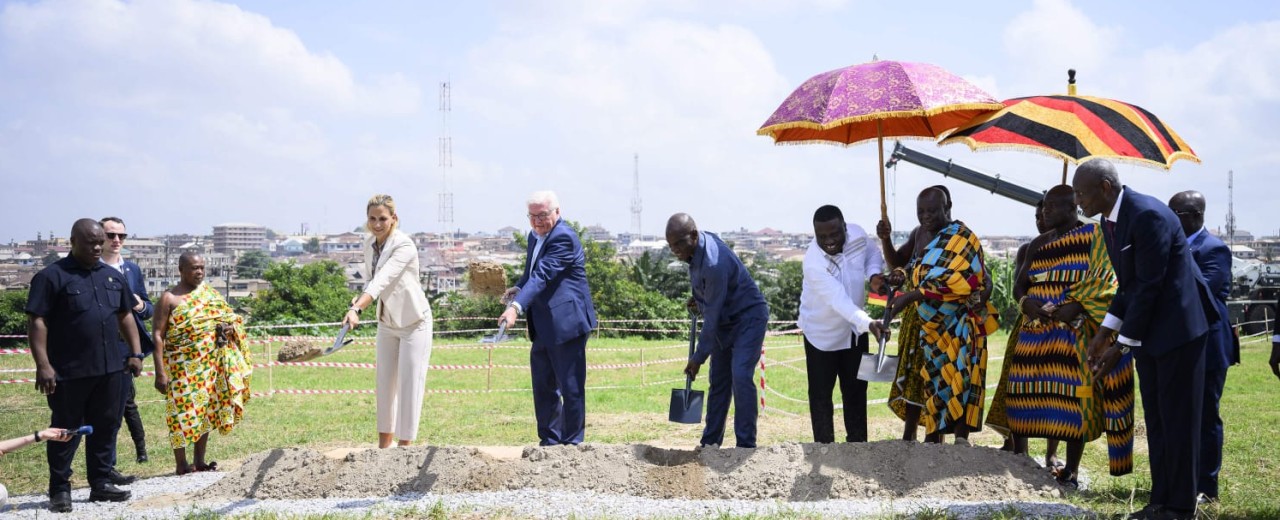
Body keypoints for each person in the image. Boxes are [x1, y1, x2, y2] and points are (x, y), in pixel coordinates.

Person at [1076, 160, 1216, 520]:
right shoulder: (1110, 221)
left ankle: (1182, 507)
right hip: (1152, 336)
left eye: (1082, 193)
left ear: (1106, 187)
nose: (1079, 202)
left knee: (1179, 422)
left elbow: (1150, 287)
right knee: (1157, 421)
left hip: (1178, 334)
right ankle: (1160, 501)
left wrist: (1119, 345)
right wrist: (1104, 332)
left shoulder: (1147, 215)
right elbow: (1129, 285)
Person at [1004, 185, 1134, 488]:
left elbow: (1108, 280)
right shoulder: (1037, 244)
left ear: (1072, 206)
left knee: (1074, 400)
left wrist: (1075, 304)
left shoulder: (1095, 238)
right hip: (1036, 333)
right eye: (1044, 207)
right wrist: (1028, 304)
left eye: (1051, 207)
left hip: (1075, 333)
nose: (1045, 212)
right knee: (1023, 393)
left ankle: (1071, 470)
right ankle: (1022, 461)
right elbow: (1019, 286)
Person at [25, 218, 145, 512]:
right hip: (69, 370)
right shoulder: (51, 277)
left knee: (106, 427)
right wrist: (43, 365)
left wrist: (135, 353)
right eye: (90, 242)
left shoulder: (112, 276)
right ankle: (60, 489)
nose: (96, 247)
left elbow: (125, 315)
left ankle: (101, 483)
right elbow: (36, 321)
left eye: (99, 241)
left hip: (111, 369)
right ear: (72, 242)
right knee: (65, 431)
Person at [885, 187, 998, 444]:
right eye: (920, 212)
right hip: (930, 328)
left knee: (962, 378)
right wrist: (898, 274)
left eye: (932, 211)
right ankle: (932, 440)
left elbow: (967, 280)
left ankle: (960, 439)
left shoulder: (963, 238)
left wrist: (913, 296)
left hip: (959, 324)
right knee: (934, 381)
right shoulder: (923, 236)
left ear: (948, 207)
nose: (926, 216)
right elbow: (913, 268)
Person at [498, 191, 597, 446]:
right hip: (542, 323)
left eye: (543, 215)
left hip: (567, 323)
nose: (538, 221)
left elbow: (543, 275)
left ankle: (572, 444)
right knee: (543, 386)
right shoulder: (535, 236)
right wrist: (518, 289)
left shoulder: (563, 237)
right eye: (532, 216)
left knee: (570, 387)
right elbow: (531, 272)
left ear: (557, 212)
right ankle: (550, 442)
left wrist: (516, 308)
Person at [666, 213, 769, 448]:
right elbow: (712, 299)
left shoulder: (713, 262)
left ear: (693, 235)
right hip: (724, 321)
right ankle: (710, 444)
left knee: (741, 375)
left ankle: (745, 445)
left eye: (679, 243)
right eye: (671, 245)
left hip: (747, 318)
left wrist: (697, 358)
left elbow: (711, 319)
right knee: (719, 381)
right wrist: (700, 298)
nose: (675, 250)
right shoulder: (697, 248)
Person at [342, 194, 434, 448]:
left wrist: (358, 308)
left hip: (414, 322)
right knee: (384, 384)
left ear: (394, 218)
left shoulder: (404, 246)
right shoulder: (368, 243)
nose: (377, 224)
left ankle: (405, 449)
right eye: (372, 218)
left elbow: (383, 279)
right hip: (387, 322)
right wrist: (356, 302)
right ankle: (384, 447)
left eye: (383, 218)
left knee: (409, 384)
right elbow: (371, 280)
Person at [1168, 190, 1239, 505]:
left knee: (1206, 417)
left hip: (1208, 345)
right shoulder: (1177, 245)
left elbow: (1200, 295)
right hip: (1180, 343)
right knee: (1182, 414)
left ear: (1195, 215)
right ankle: (1184, 480)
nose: (1170, 219)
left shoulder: (1214, 249)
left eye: (1175, 214)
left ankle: (1207, 487)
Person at [153, 252, 252, 475]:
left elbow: (230, 319)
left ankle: (199, 461)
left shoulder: (211, 294)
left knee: (206, 410)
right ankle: (181, 464)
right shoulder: (169, 298)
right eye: (194, 268)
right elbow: (158, 335)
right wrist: (160, 372)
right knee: (180, 412)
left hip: (210, 364)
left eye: (202, 268)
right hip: (181, 366)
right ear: (181, 270)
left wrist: (228, 328)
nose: (199, 272)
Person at [798, 205, 887, 443]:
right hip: (821, 337)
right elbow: (840, 302)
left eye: (835, 234)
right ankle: (824, 449)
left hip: (856, 333)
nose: (829, 241)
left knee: (857, 392)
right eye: (822, 236)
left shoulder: (858, 235)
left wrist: (874, 275)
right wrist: (869, 323)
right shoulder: (814, 263)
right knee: (820, 397)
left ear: (845, 227)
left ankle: (858, 449)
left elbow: (873, 253)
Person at [986, 199, 1062, 470]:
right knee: (1019, 385)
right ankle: (1019, 447)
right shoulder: (1028, 249)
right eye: (1037, 216)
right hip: (1027, 324)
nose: (1040, 220)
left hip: (1057, 324)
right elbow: (1019, 286)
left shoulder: (1070, 248)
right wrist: (1031, 303)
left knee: (1055, 388)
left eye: (1045, 214)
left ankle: (1052, 453)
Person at [100, 217, 155, 466]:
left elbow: (147, 308)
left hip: (126, 346)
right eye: (111, 235)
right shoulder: (92, 268)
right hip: (99, 344)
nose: (116, 240)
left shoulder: (132, 269)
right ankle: (105, 467)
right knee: (105, 407)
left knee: (125, 401)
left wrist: (139, 304)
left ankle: (138, 451)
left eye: (121, 236)